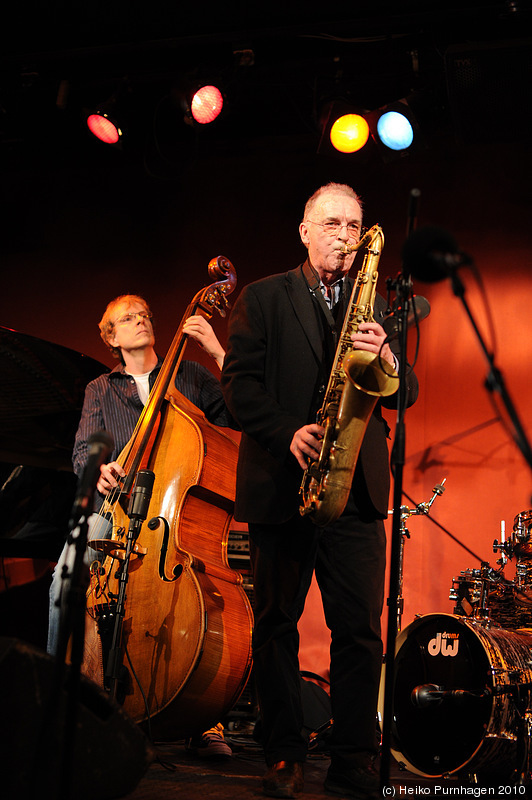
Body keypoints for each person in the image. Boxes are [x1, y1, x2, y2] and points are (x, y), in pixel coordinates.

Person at [221, 182, 419, 798]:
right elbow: (238, 386)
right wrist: (288, 432)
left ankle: (354, 755)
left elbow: (404, 393)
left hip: (355, 489)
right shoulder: (262, 298)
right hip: (285, 483)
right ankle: (282, 751)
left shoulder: (376, 310)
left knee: (359, 628)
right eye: (331, 223)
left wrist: (386, 354)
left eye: (353, 226)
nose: (343, 235)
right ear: (305, 231)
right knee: (276, 623)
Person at [48, 293, 233, 759]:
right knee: (64, 578)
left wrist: (216, 350)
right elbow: (82, 452)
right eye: (126, 318)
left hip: (175, 519)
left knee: (199, 605)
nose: (139, 320)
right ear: (110, 336)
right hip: (114, 513)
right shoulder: (100, 389)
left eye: (144, 314)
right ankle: (55, 698)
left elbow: (240, 411)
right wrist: (100, 467)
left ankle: (206, 719)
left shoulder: (190, 375)